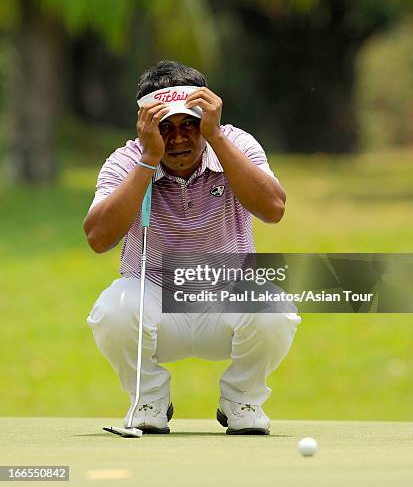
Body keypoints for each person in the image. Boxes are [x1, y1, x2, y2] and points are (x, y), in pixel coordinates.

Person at [83, 60, 300, 435]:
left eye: (190, 124)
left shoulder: (236, 143)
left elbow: (273, 210)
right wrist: (148, 160)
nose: (179, 138)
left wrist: (216, 138)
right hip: (153, 298)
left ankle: (241, 399)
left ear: (208, 118)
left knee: (275, 308)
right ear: (144, 126)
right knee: (111, 310)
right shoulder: (126, 159)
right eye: (164, 127)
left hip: (227, 296)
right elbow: (99, 239)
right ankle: (148, 398)